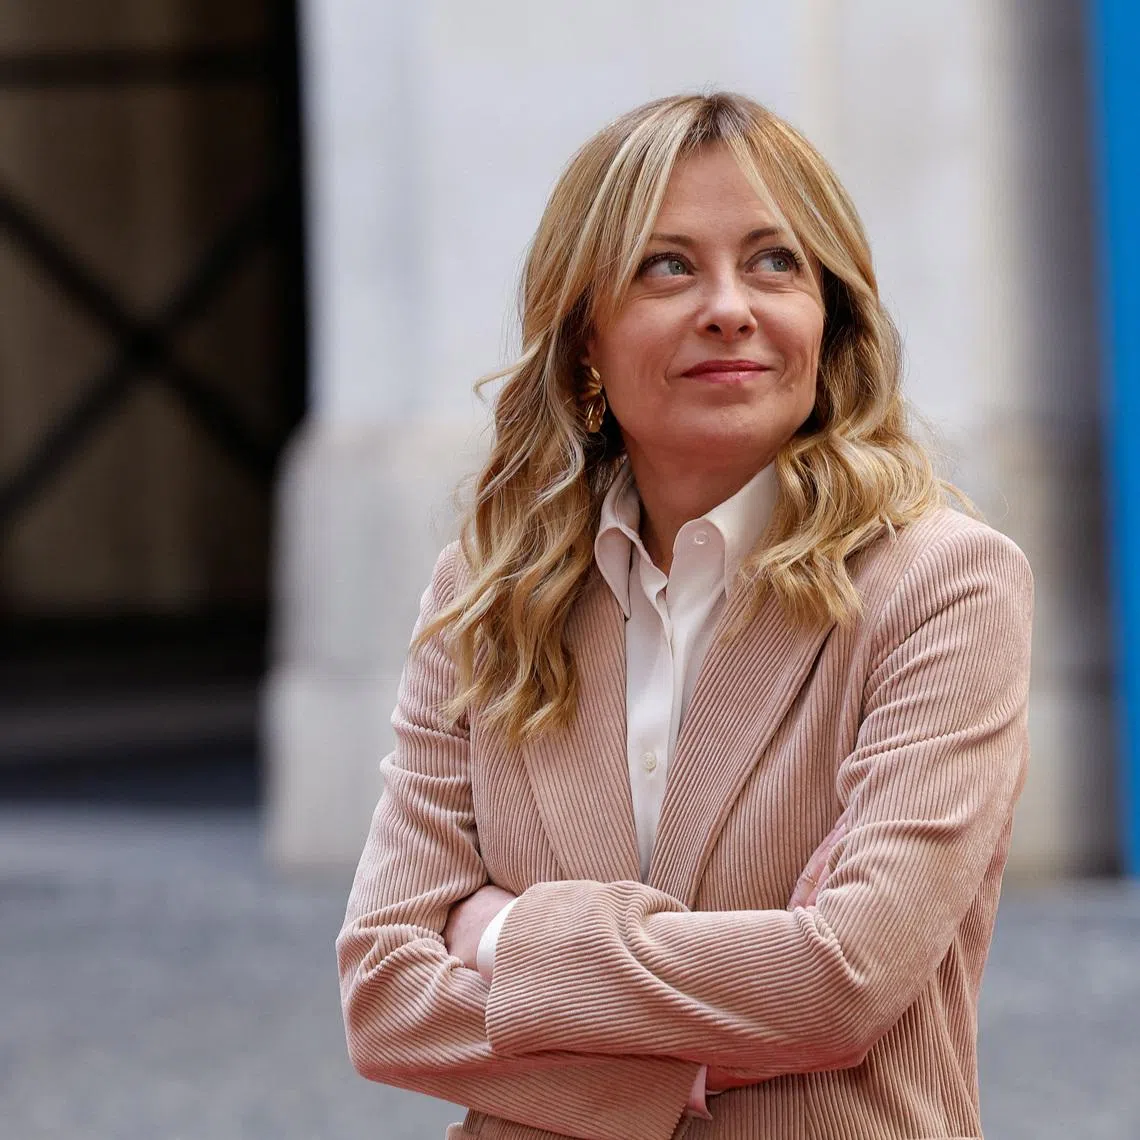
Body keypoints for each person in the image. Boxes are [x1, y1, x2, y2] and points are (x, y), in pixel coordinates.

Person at [336, 91, 1033, 1140]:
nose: (729, 307)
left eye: (774, 263)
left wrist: (507, 935)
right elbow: (386, 1001)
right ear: (584, 338)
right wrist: (709, 1049)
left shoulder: (945, 587)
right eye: (668, 266)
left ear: (829, 321)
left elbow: (845, 977)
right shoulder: (486, 594)